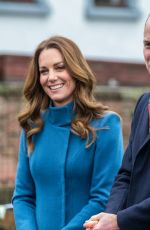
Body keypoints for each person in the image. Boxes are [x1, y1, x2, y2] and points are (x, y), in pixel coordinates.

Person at [12, 35, 123, 230]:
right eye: (44, 71)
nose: (51, 77)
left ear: (75, 70)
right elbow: (23, 196)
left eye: (60, 67)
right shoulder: (32, 126)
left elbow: (103, 197)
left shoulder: (106, 125)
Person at [84, 14, 150, 230]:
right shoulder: (144, 103)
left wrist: (121, 221)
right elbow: (126, 173)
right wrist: (109, 215)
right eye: (148, 44)